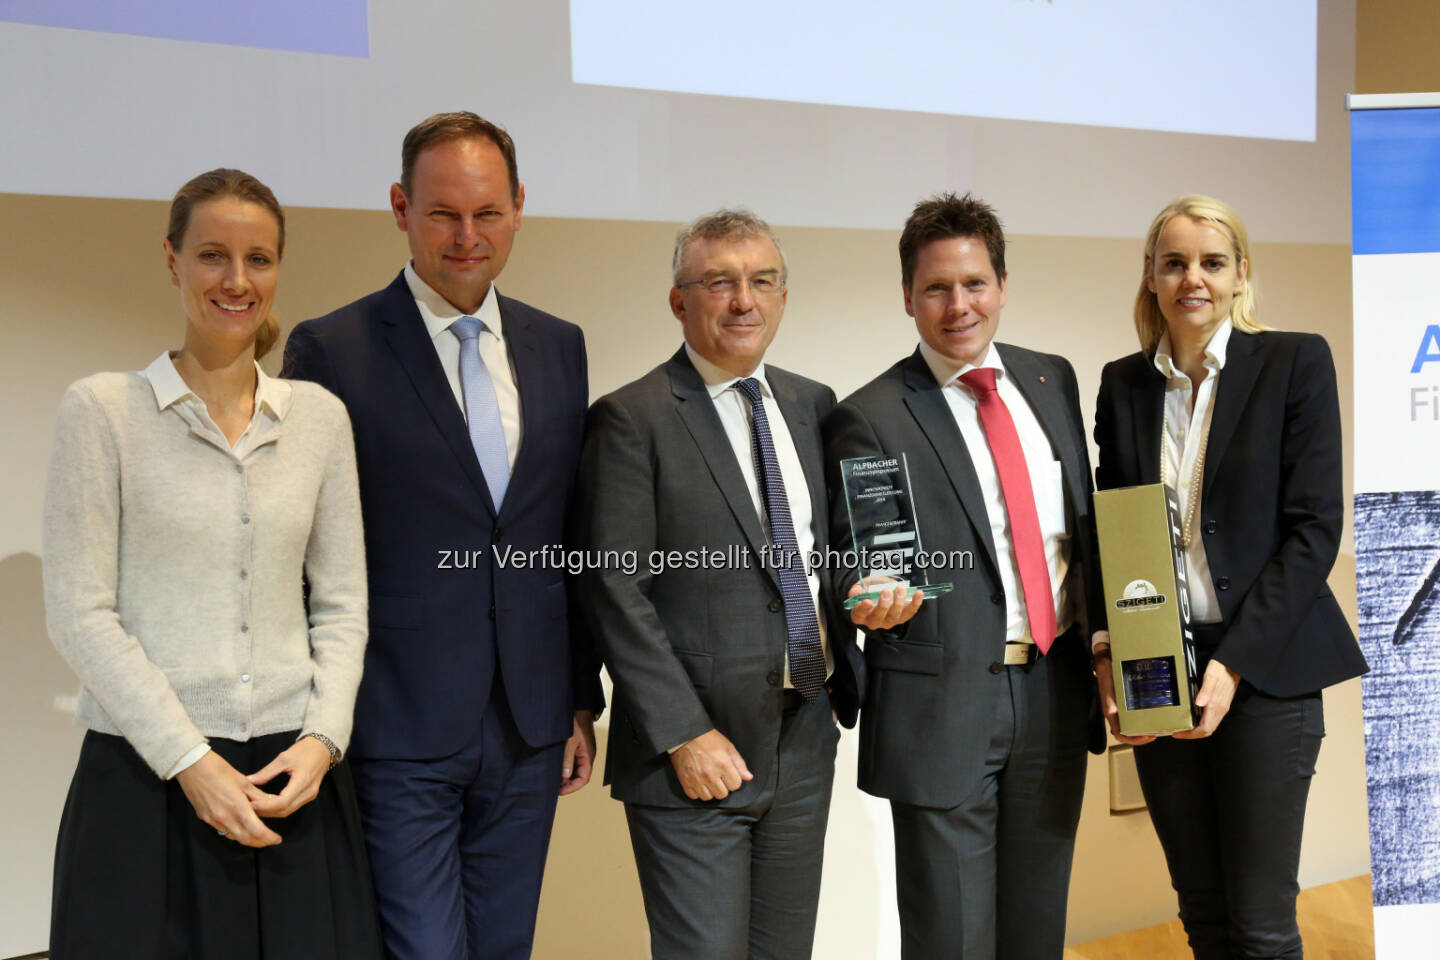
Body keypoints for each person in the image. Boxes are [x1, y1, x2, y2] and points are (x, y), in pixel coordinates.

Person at [281, 111, 603, 960]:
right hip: (397, 721)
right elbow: (305, 555)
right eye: (443, 213)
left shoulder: (559, 346)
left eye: (488, 212)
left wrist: (577, 696)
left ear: (520, 208)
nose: (468, 236)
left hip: (529, 724)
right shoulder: (332, 349)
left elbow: (561, 541)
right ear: (400, 207)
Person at [42, 169, 380, 959]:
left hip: (294, 784)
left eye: (258, 259)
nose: (237, 280)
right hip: (146, 781)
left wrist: (323, 739)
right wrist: (191, 761)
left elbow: (342, 603)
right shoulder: (102, 411)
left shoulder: (318, 419)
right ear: (172, 261)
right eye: (212, 256)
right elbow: (80, 613)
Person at [577, 209, 912, 960]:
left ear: (784, 297)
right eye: (719, 283)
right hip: (694, 753)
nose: (743, 301)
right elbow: (613, 591)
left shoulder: (813, 404)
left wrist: (874, 587)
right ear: (679, 302)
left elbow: (829, 551)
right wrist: (684, 734)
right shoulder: (632, 419)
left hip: (803, 738)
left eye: (762, 281)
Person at [823, 192, 1106, 959]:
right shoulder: (872, 414)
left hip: (1053, 688)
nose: (958, 305)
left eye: (975, 283)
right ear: (908, 297)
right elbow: (858, 553)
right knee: (951, 939)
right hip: (943, 709)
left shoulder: (1053, 381)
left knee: (1036, 934)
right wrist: (868, 594)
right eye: (937, 288)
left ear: (1003, 286)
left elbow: (1082, 535)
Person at [1092, 194, 1367, 959]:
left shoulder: (1295, 360)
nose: (1193, 279)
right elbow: (1112, 531)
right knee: (1203, 913)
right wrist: (1111, 651)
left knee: (1262, 925)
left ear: (1242, 273)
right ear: (1150, 277)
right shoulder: (1123, 386)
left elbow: (1314, 531)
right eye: (1174, 262)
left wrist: (1232, 664)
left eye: (1212, 262)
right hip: (1161, 668)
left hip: (1268, 670)